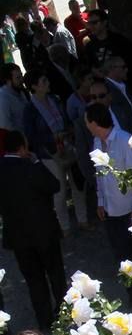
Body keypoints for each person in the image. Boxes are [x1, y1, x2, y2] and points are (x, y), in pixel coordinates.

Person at [0, 132, 68, 329]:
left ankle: (44, 319)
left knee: (33, 279)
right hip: (44, 230)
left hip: (18, 236)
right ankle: (63, 311)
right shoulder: (30, 167)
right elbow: (54, 185)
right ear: (22, 148)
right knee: (55, 272)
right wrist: (37, 162)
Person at [85, 102, 132, 304]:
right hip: (112, 212)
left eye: (87, 121)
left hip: (131, 211)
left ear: (94, 123)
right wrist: (101, 201)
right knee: (121, 256)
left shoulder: (125, 141)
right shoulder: (97, 142)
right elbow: (100, 176)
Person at [22, 70, 86, 234]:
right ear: (34, 86)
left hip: (67, 146)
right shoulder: (29, 109)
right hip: (49, 153)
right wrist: (52, 137)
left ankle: (83, 219)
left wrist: (68, 132)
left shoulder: (55, 100)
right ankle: (64, 226)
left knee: (78, 183)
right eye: (43, 81)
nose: (48, 83)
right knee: (60, 190)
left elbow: (66, 120)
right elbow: (31, 136)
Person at [81, 10, 132, 101]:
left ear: (105, 22)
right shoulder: (90, 47)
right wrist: (95, 72)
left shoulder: (120, 42)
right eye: (89, 23)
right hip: (108, 94)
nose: (91, 26)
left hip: (129, 89)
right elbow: (89, 67)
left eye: (95, 22)